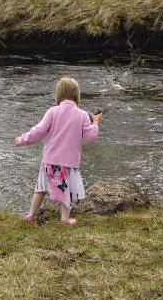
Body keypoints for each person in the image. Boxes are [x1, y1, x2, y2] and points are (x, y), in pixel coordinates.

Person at [13, 76, 102, 226]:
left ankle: (31, 214)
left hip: (50, 160)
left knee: (41, 187)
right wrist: (96, 122)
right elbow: (91, 137)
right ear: (77, 95)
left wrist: (23, 139)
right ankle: (65, 219)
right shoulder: (82, 115)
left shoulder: (52, 112)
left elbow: (38, 131)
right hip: (69, 162)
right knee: (66, 189)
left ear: (58, 94)